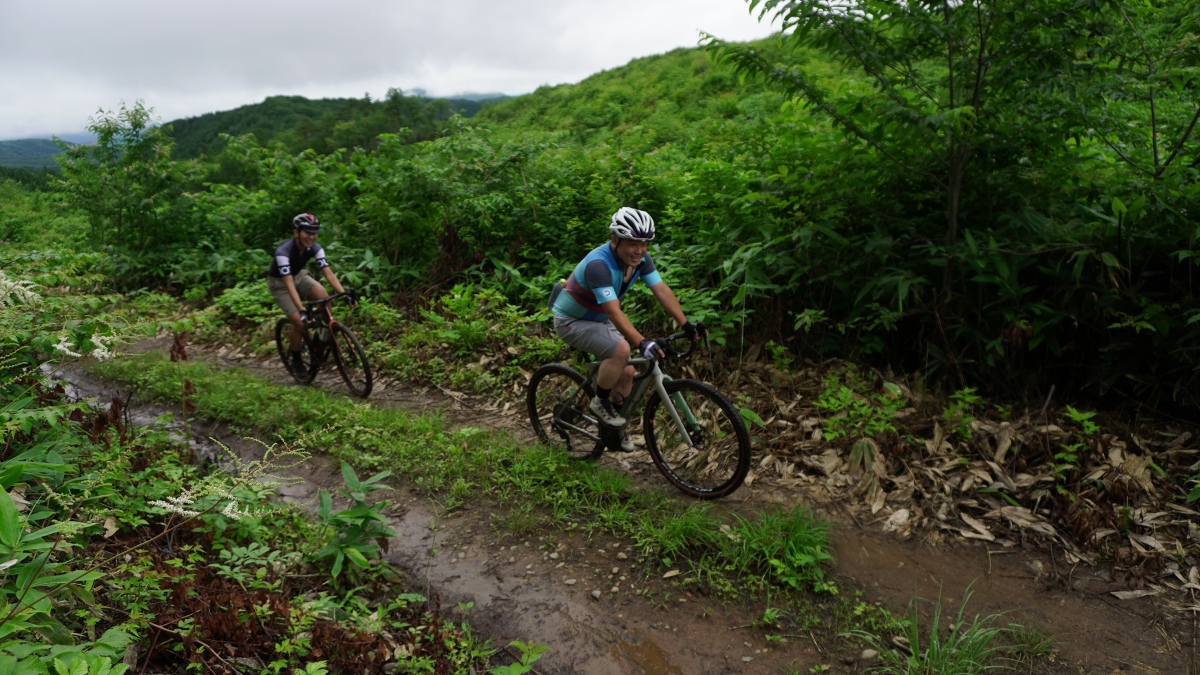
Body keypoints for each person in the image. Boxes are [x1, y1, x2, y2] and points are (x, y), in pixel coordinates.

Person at [550, 207, 707, 452]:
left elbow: (662, 291)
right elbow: (614, 311)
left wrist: (686, 324)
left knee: (628, 371)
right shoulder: (598, 265)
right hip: (572, 320)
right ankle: (600, 401)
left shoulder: (641, 261)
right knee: (622, 350)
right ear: (615, 240)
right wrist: (641, 342)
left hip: (599, 316)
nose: (639, 250)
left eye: (644, 243)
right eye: (633, 243)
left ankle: (614, 430)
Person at [266, 213, 354, 377]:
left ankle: (320, 341)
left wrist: (343, 294)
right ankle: (296, 357)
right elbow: (288, 284)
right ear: (296, 232)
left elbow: (329, 274)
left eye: (314, 232)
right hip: (281, 284)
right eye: (307, 232)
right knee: (299, 323)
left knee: (324, 297)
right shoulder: (283, 252)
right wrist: (301, 310)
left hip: (299, 276)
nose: (311, 237)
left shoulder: (315, 247)